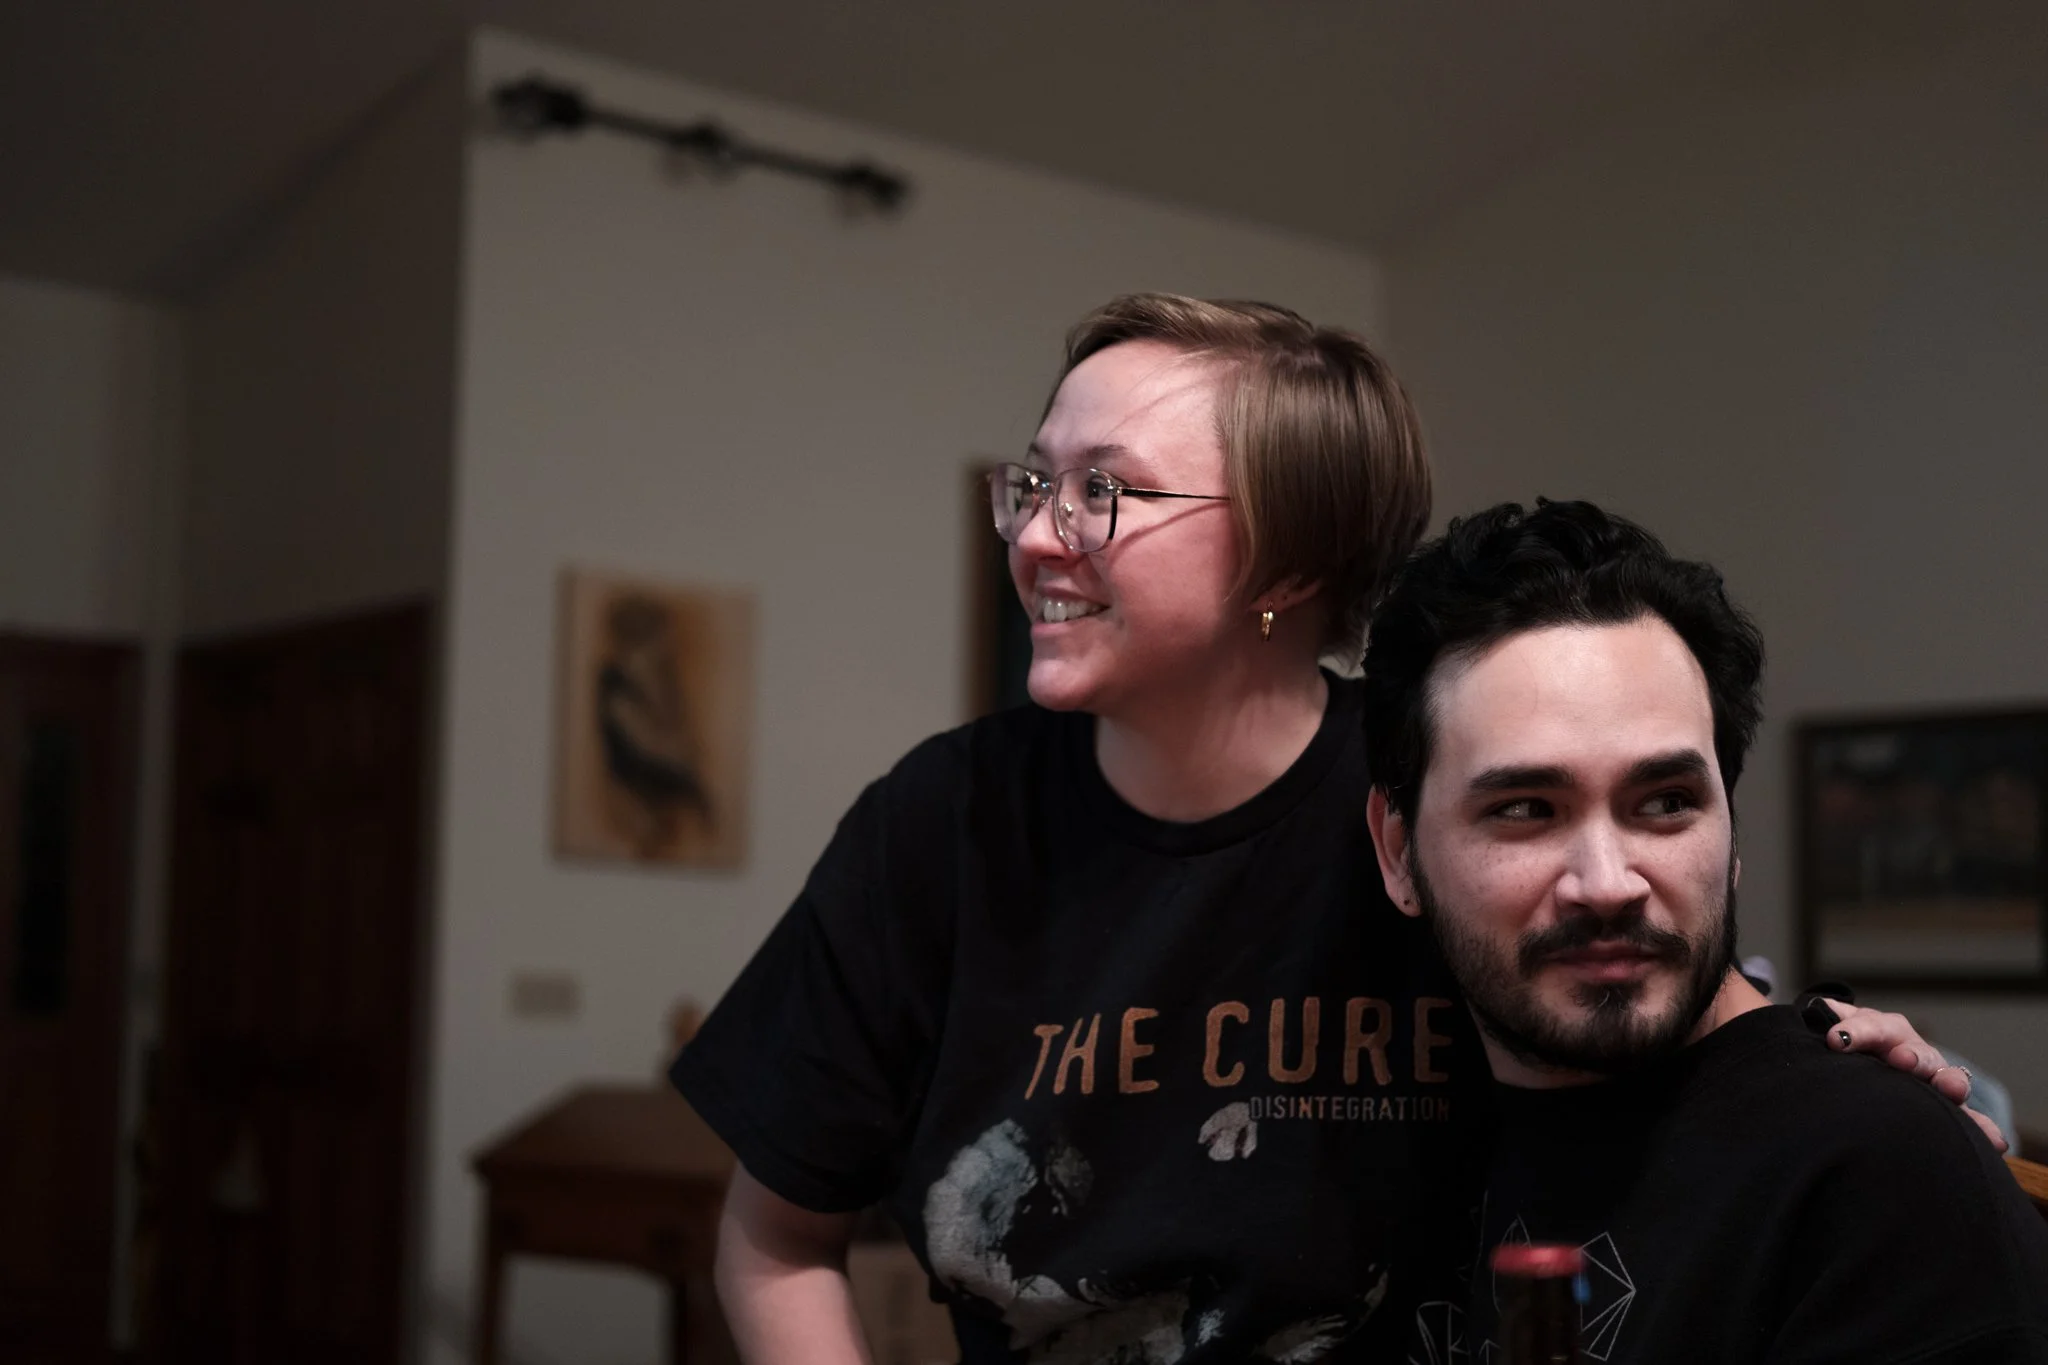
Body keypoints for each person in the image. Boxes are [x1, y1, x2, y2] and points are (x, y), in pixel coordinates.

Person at [672, 297, 1979, 1365]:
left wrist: (1902, 1092)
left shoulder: (1453, 797)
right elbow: (776, 1240)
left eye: (1106, 493)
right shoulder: (937, 830)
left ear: (1288, 571)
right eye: (1036, 484)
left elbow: (1665, 1011)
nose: (1036, 537)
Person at [1360, 500, 2048, 1362]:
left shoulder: (1875, 1173)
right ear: (1397, 851)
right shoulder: (1404, 1133)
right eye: (1527, 810)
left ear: (1730, 833)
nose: (1607, 883)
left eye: (1666, 803)